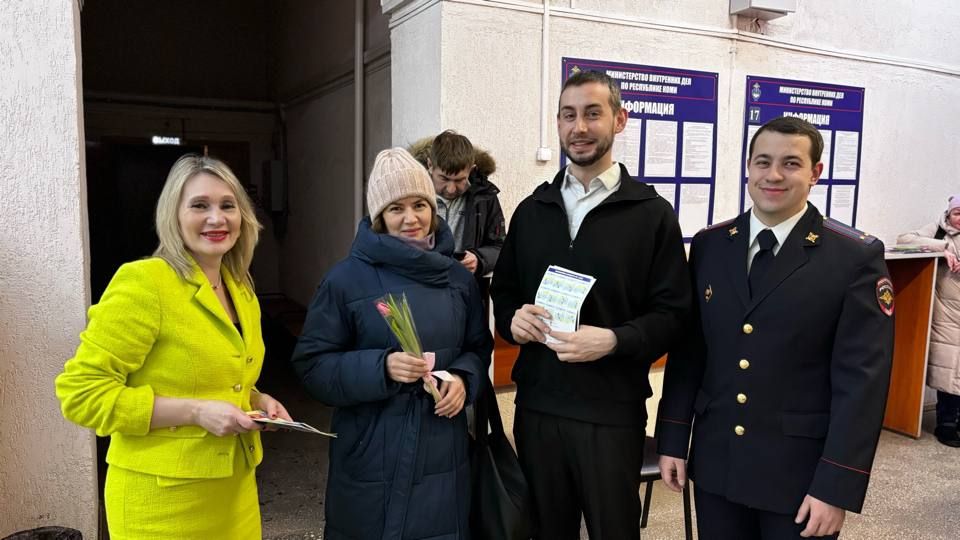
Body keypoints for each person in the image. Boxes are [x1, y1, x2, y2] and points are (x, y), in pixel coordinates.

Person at [657, 116, 895, 539]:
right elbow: (690, 353)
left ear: (815, 173)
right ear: (748, 167)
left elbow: (862, 382)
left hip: (799, 478)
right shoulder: (711, 244)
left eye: (790, 163)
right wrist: (673, 438)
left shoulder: (853, 257)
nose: (773, 175)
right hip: (717, 464)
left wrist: (835, 485)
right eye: (763, 161)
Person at [490, 70, 691, 539]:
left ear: (619, 120)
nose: (579, 127)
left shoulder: (651, 214)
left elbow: (674, 316)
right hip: (539, 406)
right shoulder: (532, 210)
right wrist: (513, 319)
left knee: (613, 531)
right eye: (568, 115)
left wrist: (617, 340)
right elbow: (505, 292)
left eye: (592, 114)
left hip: (611, 412)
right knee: (544, 530)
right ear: (558, 125)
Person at [55, 154, 291, 539]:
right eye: (200, 205)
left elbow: (216, 378)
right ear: (174, 215)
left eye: (227, 205)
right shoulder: (145, 283)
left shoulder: (240, 287)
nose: (217, 218)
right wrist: (196, 412)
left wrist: (258, 400)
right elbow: (81, 393)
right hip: (162, 504)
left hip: (235, 492)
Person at [291, 148, 492, 540]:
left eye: (420, 204)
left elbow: (478, 348)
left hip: (443, 454)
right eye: (396, 208)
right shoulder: (345, 280)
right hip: (370, 452)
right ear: (379, 216)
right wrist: (380, 368)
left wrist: (464, 380)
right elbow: (312, 365)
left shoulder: (457, 278)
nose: (411, 218)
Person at [897, 195, 960, 447]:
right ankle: (946, 423)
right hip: (947, 314)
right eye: (957, 213)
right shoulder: (937, 231)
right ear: (948, 214)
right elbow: (904, 241)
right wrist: (941, 249)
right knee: (949, 368)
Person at [409, 130, 506, 279]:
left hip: (466, 288)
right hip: (418, 283)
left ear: (472, 170)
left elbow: (501, 247)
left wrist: (479, 259)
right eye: (444, 178)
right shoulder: (409, 194)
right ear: (430, 165)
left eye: (460, 180)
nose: (451, 189)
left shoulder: (485, 197)